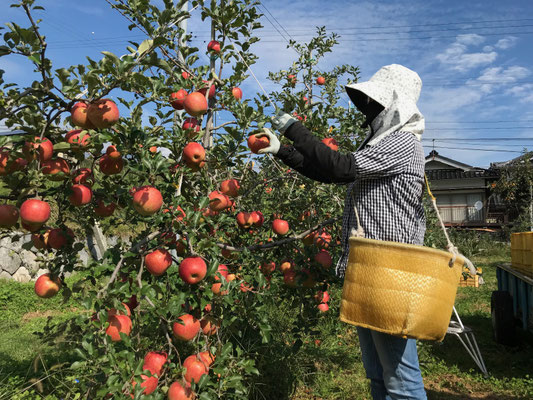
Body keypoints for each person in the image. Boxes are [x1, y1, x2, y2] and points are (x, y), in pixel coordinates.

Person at [255, 64, 427, 400]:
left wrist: (294, 129)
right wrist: (284, 151)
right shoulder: (381, 144)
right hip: (368, 268)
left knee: (401, 380)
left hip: (391, 271)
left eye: (375, 101)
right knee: (378, 373)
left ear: (394, 104)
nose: (368, 107)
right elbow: (334, 176)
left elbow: (339, 166)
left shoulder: (403, 143)